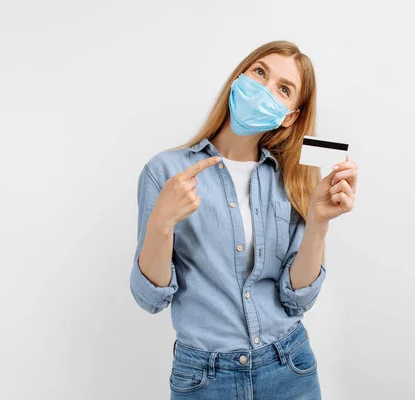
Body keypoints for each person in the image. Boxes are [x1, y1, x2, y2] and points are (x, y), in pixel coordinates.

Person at [129, 40, 359, 399]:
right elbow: (149, 298)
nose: (264, 89)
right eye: (260, 72)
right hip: (204, 379)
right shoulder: (166, 172)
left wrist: (318, 224)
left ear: (290, 116)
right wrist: (162, 221)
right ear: (240, 77)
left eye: (284, 89)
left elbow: (297, 299)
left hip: (289, 368)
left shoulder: (292, 179)